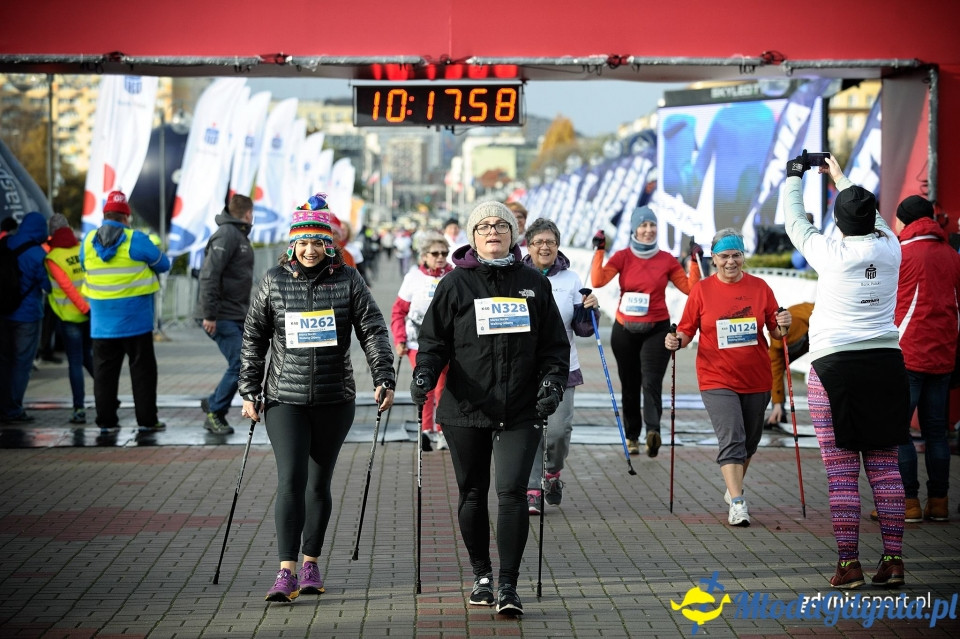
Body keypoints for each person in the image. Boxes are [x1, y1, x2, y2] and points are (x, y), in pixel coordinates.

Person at [411, 201, 569, 616]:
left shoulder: (534, 282)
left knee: (513, 492)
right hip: (467, 406)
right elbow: (433, 342)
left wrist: (552, 383)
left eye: (501, 224)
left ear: (513, 234)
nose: (493, 230)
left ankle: (508, 585)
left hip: (521, 406)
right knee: (473, 493)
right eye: (484, 226)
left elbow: (555, 346)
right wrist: (425, 374)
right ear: (472, 235)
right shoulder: (455, 285)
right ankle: (481, 574)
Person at [238, 200, 395, 603]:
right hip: (284, 399)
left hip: (333, 398)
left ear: (331, 244)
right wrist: (249, 389)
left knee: (318, 485)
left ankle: (311, 563)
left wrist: (383, 376)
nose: (311, 249)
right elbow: (254, 337)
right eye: (304, 241)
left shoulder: (348, 280)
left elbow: (374, 329)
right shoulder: (273, 280)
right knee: (291, 479)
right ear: (293, 244)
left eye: (319, 241)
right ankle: (285, 570)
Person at [783, 152, 909, 589]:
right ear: (874, 216)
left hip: (833, 366)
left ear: (838, 221)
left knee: (842, 474)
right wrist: (840, 177)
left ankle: (849, 565)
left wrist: (795, 177)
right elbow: (868, 212)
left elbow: (795, 220)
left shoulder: (830, 252)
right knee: (885, 466)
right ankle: (893, 560)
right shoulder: (892, 247)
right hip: (887, 364)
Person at [666, 229, 789, 528]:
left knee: (750, 442)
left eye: (736, 255)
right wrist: (675, 341)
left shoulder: (760, 287)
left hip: (756, 378)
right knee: (731, 437)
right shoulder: (702, 291)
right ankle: (738, 502)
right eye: (724, 256)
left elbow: (775, 331)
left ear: (743, 256)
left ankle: (732, 486)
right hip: (716, 377)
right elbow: (686, 330)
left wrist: (784, 324)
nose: (731, 262)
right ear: (714, 259)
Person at [591, 206, 701, 457]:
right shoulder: (622, 256)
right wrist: (599, 250)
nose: (648, 230)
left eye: (652, 225)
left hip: (656, 329)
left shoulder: (666, 259)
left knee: (651, 382)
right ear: (634, 229)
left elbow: (690, 289)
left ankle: (653, 432)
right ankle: (632, 437)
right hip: (625, 330)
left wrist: (694, 261)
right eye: (643, 226)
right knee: (630, 385)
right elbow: (598, 281)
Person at [878, 195, 960, 523]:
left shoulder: (902, 253)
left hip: (907, 353)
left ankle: (908, 503)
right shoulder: (953, 256)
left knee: (899, 431)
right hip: (944, 353)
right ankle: (938, 502)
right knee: (937, 432)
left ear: (906, 221)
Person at [521, 217, 599, 515]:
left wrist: (591, 309)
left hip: (562, 368)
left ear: (557, 246)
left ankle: (552, 474)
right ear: (527, 246)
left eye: (550, 242)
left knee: (557, 432)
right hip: (524, 369)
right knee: (529, 431)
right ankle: (531, 489)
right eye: (538, 242)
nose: (544, 247)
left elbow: (583, 329)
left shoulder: (571, 279)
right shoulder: (517, 276)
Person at [80, 191, 171, 435]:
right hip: (136, 322)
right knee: (142, 373)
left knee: (104, 376)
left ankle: (106, 422)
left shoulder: (88, 241)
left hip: (101, 324)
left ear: (105, 215)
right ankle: (147, 421)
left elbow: (83, 265)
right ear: (126, 217)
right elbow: (164, 264)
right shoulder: (135, 239)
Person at [194, 194, 255, 436]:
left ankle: (213, 401)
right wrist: (209, 314)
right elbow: (209, 275)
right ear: (248, 213)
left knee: (244, 362)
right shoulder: (227, 235)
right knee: (241, 364)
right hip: (220, 315)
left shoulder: (237, 234)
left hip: (233, 313)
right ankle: (215, 413)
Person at [390, 231, 454, 452]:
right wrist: (399, 339)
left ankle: (443, 430)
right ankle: (426, 430)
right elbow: (398, 311)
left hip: (447, 344)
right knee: (425, 387)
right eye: (435, 253)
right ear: (424, 256)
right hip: (417, 343)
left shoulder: (453, 276)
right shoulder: (413, 277)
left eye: (444, 253)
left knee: (443, 389)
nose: (440, 257)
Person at [0, 212, 51, 423]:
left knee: (3, 361)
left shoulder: (7, 243)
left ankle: (2, 406)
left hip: (3, 313)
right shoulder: (38, 254)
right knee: (22, 363)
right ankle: (13, 409)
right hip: (27, 316)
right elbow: (47, 286)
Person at [44, 214, 94, 424]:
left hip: (71, 316)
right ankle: (108, 397)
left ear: (52, 233)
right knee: (88, 356)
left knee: (75, 362)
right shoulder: (81, 248)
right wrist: (91, 309)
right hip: (90, 313)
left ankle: (79, 409)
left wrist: (83, 308)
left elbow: (66, 287)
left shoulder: (53, 257)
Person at [766, 302, 814, 427]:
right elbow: (775, 376)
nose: (790, 353)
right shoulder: (776, 350)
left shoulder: (810, 313)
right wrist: (777, 406)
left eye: (794, 348)